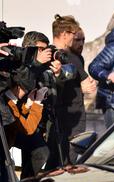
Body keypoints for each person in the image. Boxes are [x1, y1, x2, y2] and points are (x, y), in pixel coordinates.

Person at [45, 15, 94, 170]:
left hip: (73, 114)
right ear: (65, 34)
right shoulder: (51, 55)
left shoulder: (71, 56)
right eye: (74, 36)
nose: (76, 39)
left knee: (66, 161)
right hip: (63, 116)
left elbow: (79, 77)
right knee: (60, 162)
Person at [69, 28, 97, 111]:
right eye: (77, 40)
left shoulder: (79, 58)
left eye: (83, 40)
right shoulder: (63, 57)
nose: (81, 43)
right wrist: (80, 89)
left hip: (79, 108)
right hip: (67, 112)